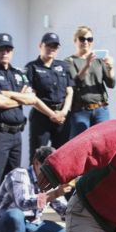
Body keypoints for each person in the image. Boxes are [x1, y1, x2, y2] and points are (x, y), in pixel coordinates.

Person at [0, 33, 60, 197]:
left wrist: (9, 94)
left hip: (16, 134)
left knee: (14, 179)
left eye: (8, 49)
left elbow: (32, 98)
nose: (5, 53)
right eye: (1, 49)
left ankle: (9, 217)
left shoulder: (17, 73)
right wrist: (23, 99)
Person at [25, 33, 73, 161]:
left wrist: (63, 112)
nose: (52, 49)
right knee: (37, 156)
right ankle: (35, 181)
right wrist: (52, 114)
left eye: (55, 46)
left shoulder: (63, 66)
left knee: (62, 156)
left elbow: (70, 91)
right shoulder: (31, 67)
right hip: (42, 117)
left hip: (62, 117)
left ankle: (58, 182)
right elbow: (31, 97)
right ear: (40, 46)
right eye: (48, 45)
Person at [65, 26, 115, 138]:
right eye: (82, 39)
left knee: (103, 142)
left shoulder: (98, 60)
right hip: (80, 110)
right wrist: (87, 64)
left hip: (101, 109)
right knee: (79, 145)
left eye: (89, 39)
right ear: (75, 41)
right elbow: (75, 82)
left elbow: (111, 84)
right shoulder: (70, 61)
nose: (86, 42)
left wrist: (110, 68)